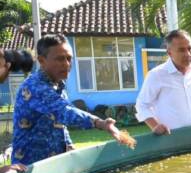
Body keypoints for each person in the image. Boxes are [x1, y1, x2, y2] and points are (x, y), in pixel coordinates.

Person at [12, 34, 129, 165]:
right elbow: (65, 112)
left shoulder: (57, 85)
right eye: (60, 59)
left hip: (52, 167)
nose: (66, 64)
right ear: (42, 60)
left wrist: (69, 147)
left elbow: (60, 124)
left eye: (69, 58)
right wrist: (101, 123)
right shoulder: (34, 87)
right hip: (28, 170)